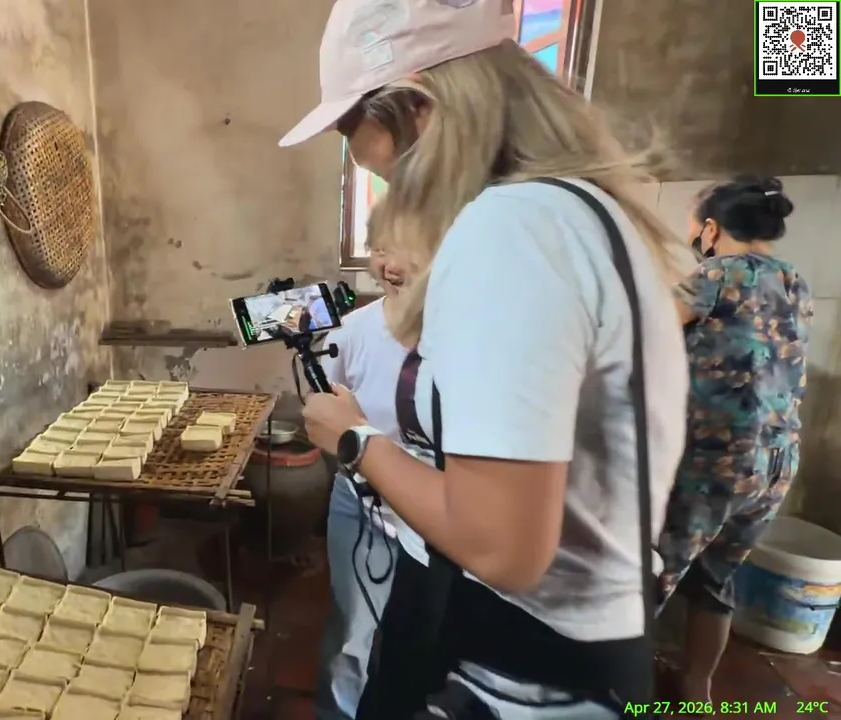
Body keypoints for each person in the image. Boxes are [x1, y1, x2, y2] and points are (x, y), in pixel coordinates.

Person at [281, 0, 693, 717]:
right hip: (569, 636)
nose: (361, 163)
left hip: (529, 664)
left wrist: (354, 439)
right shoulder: (576, 211)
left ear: (421, 108)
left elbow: (502, 546)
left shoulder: (512, 228)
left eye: (354, 131)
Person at [657, 176, 811, 706]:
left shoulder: (716, 274)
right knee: (717, 576)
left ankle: (609, 686)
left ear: (711, 228)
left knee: (654, 571)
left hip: (717, 458)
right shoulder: (794, 280)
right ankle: (696, 687)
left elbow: (647, 334)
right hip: (778, 459)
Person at [317, 220, 417, 720]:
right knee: (350, 635)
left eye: (408, 250)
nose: (390, 265)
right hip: (359, 505)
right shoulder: (353, 331)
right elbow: (324, 409)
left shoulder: (466, 335)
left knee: (416, 642)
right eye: (380, 249)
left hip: (435, 518)